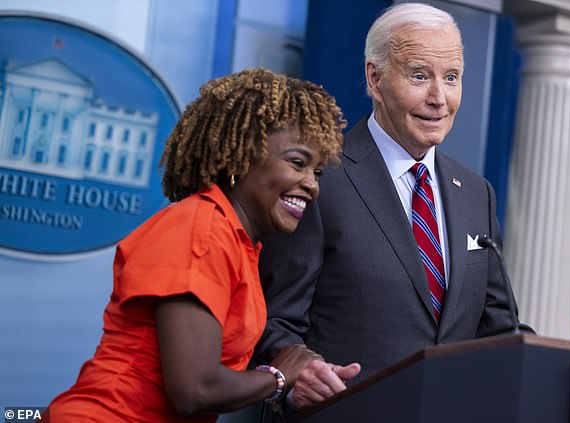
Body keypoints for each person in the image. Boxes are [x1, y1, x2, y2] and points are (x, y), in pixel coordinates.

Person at [253, 2, 529, 414]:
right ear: (375, 78)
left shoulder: (477, 193)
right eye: (420, 76)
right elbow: (276, 319)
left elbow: (497, 331)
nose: (439, 98)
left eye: (451, 78)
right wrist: (296, 382)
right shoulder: (320, 175)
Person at [42, 68, 356, 423]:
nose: (311, 185)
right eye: (298, 163)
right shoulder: (200, 230)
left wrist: (299, 377)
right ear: (241, 158)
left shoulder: (236, 241)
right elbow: (195, 390)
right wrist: (279, 377)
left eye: (316, 173)